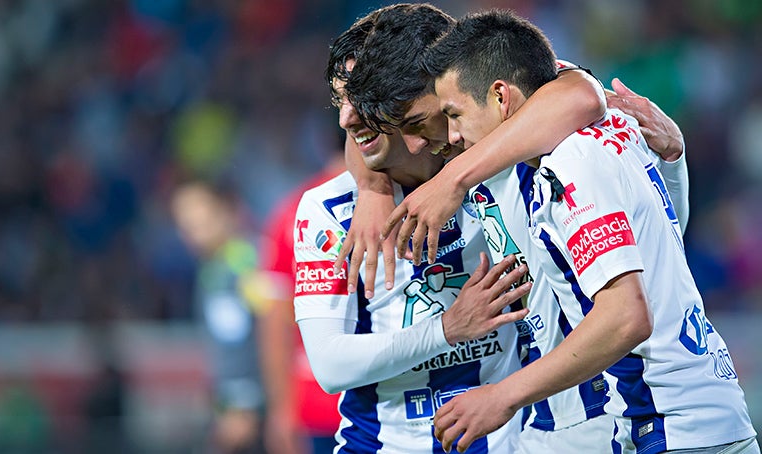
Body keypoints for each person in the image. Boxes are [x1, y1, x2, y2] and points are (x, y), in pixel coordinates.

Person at [419, 9, 758, 453]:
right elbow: (665, 244)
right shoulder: (615, 127)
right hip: (703, 413)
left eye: (455, 113)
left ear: (502, 97)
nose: (454, 135)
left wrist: (503, 396)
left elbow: (626, 318)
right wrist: (674, 160)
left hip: (669, 425)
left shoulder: (570, 162)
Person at [292, 9, 533, 452]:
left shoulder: (503, 168)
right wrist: (446, 328)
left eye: (365, 99)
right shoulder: (329, 209)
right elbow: (329, 366)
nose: (346, 119)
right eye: (342, 100)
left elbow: (576, 94)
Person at [170, 180, 269, 454]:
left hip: (256, 412)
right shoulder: (212, 267)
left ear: (225, 211)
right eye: (183, 221)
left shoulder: (245, 262)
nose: (190, 229)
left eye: (199, 217)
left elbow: (265, 332)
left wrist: (245, 402)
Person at [258, 142, 344, 453]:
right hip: (385, 401)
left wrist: (281, 409)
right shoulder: (398, 200)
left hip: (314, 403)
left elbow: (273, 322)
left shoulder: (291, 212)